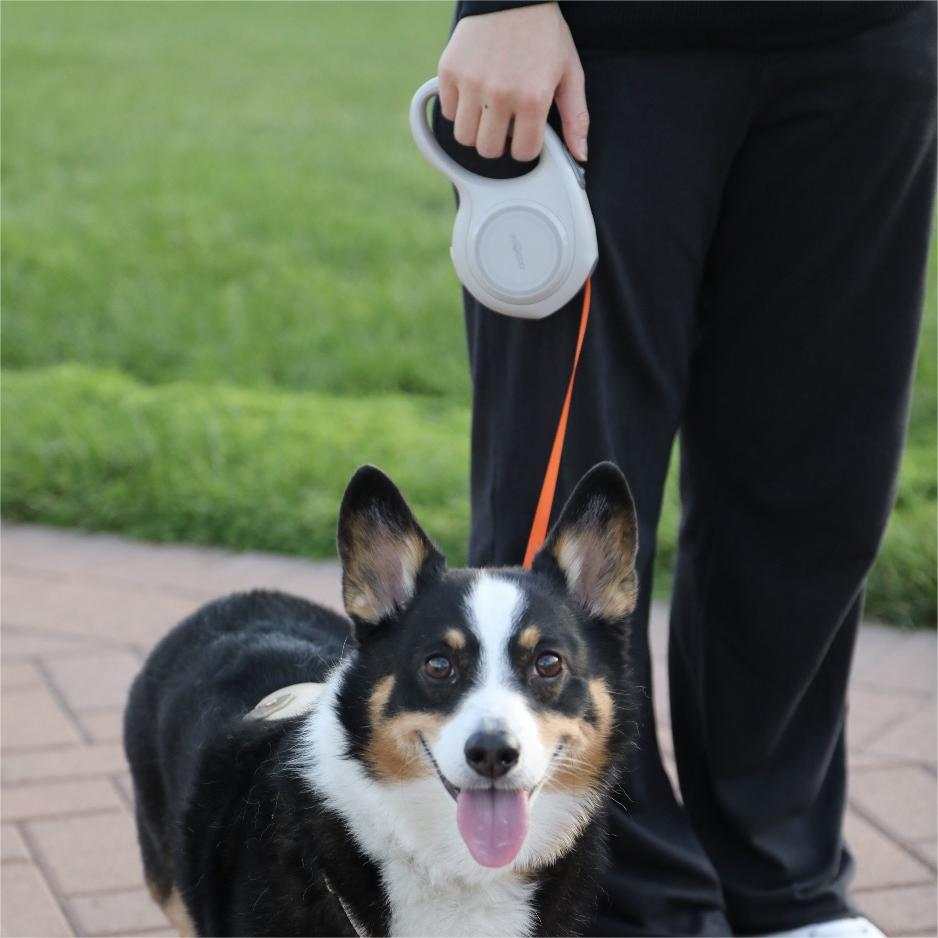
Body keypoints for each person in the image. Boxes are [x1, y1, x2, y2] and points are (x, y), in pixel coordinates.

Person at [431, 2, 936, 936]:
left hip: (866, 38)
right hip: (607, 47)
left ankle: (781, 879)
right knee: (572, 525)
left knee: (815, 489)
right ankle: (617, 901)